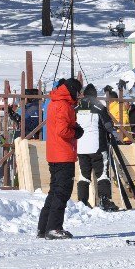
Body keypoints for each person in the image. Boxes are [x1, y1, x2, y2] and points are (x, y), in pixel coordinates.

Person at [37, 78, 83, 240]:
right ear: (71, 90)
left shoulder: (55, 102)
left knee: (54, 191)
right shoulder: (63, 105)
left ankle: (43, 227)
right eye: (77, 92)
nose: (78, 95)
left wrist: (73, 127)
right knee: (62, 192)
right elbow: (63, 130)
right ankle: (54, 227)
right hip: (63, 154)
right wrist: (75, 132)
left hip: (55, 153)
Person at [76, 83, 118, 212]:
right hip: (98, 146)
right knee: (102, 174)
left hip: (81, 147)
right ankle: (104, 200)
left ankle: (82, 201)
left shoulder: (76, 108)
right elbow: (108, 126)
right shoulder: (99, 107)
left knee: (84, 175)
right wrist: (115, 135)